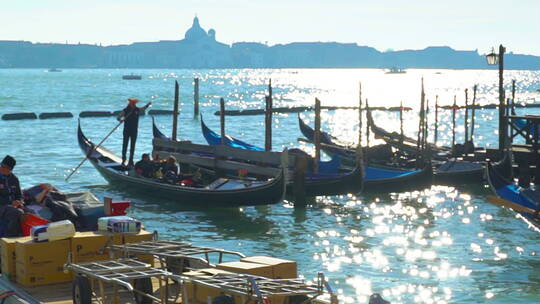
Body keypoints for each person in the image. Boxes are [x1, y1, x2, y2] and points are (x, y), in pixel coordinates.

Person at [117, 98, 151, 166]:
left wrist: (147, 105)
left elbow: (143, 109)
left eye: (134, 103)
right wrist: (120, 120)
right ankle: (123, 159)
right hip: (127, 130)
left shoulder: (137, 109)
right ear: (130, 104)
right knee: (125, 145)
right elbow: (118, 117)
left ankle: (131, 161)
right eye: (133, 103)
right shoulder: (126, 110)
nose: (134, 104)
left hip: (134, 131)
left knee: (132, 146)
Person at [0, 155, 25, 237]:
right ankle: (9, 237)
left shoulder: (14, 179)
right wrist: (11, 203)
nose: (1, 168)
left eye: (4, 167)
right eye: (1, 165)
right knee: (16, 212)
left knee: (27, 212)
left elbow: (19, 194)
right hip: (2, 206)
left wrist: (19, 202)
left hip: (12, 206)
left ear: (10, 169)